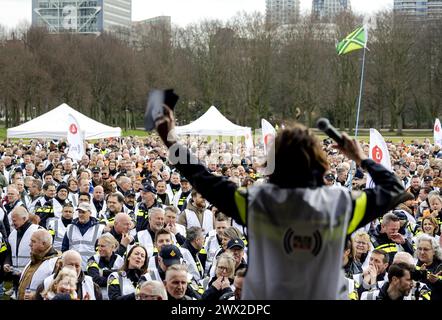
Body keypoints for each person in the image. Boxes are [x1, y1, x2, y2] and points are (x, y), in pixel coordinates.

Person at [154, 105, 409, 299]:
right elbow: (394, 188)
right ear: (320, 162)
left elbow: (202, 177)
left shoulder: (257, 202)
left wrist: (171, 141)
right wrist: (361, 157)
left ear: (273, 162)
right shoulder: (341, 204)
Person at [3, 207, 41, 298]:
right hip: (16, 277)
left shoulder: (38, 231)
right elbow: (9, 252)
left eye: (15, 220)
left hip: (32, 277)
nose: (12, 223)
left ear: (24, 219)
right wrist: (7, 263)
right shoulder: (12, 234)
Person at [36, 250, 101, 300]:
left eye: (77, 266)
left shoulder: (92, 286)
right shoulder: (45, 284)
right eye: (71, 264)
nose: (74, 268)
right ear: (61, 265)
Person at [17, 229, 60, 300]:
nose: (30, 244)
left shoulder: (55, 263)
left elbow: (56, 291)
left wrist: (36, 296)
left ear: (43, 244)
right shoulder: (34, 259)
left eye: (33, 241)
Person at [61, 202, 104, 270]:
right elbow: (64, 248)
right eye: (79, 212)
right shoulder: (70, 227)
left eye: (83, 212)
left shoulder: (99, 229)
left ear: (90, 213)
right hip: (73, 268)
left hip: (91, 268)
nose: (80, 214)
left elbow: (101, 251)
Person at [87, 233, 124, 300]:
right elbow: (95, 280)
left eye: (103, 246)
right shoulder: (93, 259)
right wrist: (114, 277)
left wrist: (103, 272)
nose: (99, 249)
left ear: (112, 247)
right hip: (97, 297)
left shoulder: (120, 260)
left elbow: (123, 281)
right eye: (98, 246)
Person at [414, 234, 442, 300]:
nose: (422, 252)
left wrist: (437, 282)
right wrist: (421, 277)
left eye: (426, 249)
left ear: (434, 251)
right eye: (419, 249)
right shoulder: (413, 265)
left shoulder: (440, 267)